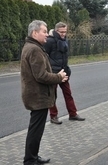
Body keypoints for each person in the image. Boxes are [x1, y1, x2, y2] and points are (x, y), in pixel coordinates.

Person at [21, 20, 68, 165]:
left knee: (36, 129)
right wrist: (58, 77)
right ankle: (30, 160)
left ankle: (33, 157)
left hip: (37, 96)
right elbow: (41, 75)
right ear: (34, 33)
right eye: (44, 31)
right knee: (35, 130)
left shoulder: (33, 46)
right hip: (37, 97)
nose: (47, 34)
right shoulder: (34, 49)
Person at [44, 22, 85, 124]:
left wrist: (66, 70)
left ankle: (73, 114)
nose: (63, 34)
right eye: (61, 32)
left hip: (64, 72)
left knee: (68, 94)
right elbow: (44, 57)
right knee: (53, 95)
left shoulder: (65, 40)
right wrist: (49, 71)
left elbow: (65, 57)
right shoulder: (49, 41)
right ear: (56, 30)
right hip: (53, 74)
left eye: (65, 32)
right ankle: (53, 116)